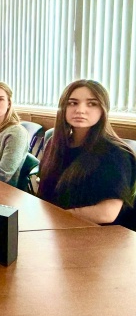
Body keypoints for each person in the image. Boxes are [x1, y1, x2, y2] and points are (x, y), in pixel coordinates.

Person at [38, 80, 136, 228]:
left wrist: (57, 217)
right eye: (73, 103)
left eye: (92, 104)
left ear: (103, 110)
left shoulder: (116, 153)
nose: (80, 110)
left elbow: (107, 213)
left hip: (97, 235)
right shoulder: (55, 144)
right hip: (57, 227)